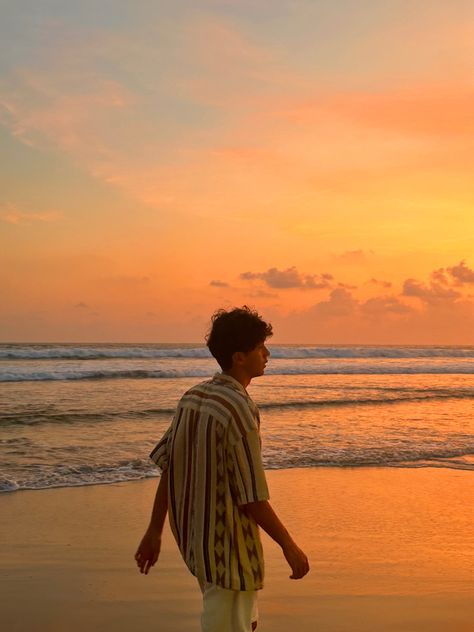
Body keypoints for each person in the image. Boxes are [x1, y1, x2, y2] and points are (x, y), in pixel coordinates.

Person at [134, 306, 309, 631]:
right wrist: (289, 545)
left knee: (245, 620)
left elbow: (170, 468)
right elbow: (251, 496)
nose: (267, 354)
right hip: (227, 548)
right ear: (239, 357)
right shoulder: (239, 410)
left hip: (197, 544)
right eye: (260, 347)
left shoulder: (193, 397)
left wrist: (155, 530)